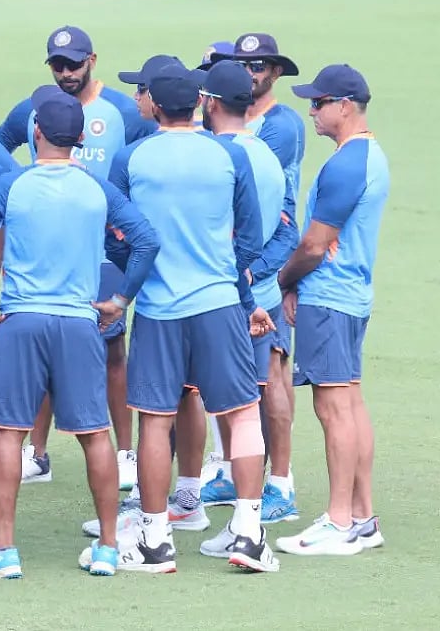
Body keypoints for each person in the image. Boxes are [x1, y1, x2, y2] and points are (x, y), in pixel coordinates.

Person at [0, 86, 159, 578]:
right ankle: (108, 548)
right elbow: (146, 240)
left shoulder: (12, 184)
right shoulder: (97, 188)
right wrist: (120, 300)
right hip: (78, 323)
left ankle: (4, 551)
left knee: (9, 433)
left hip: (21, 322)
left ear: (38, 134)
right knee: (95, 435)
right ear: (82, 136)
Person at [107, 65, 279, 574]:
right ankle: (249, 533)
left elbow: (115, 231)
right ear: (200, 104)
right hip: (221, 302)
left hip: (160, 311)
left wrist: (130, 281)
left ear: (155, 106)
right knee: (242, 414)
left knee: (155, 423)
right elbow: (250, 233)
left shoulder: (131, 157)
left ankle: (156, 539)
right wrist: (230, 273)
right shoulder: (228, 155)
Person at [0, 25, 155, 488]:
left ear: (93, 60)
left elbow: (154, 145)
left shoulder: (123, 110)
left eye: (73, 64)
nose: (65, 73)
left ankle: (125, 453)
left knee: (111, 350)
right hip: (42, 250)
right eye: (57, 65)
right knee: (42, 346)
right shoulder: (33, 108)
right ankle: (36, 452)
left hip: (106, 252)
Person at [275, 64, 388, 556]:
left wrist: (282, 282)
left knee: (331, 407)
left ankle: (340, 521)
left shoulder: (345, 165)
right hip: (351, 297)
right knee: (351, 404)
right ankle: (363, 517)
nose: (312, 110)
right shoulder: (370, 156)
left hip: (330, 297)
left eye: (319, 103)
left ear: (345, 106)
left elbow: (314, 246)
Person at [195, 61, 301, 560]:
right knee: (246, 406)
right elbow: (284, 229)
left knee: (231, 409)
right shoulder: (266, 154)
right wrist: (261, 280)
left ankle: (242, 525)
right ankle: (245, 522)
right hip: (256, 296)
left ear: (210, 102)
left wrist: (241, 278)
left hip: (220, 297)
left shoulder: (213, 156)